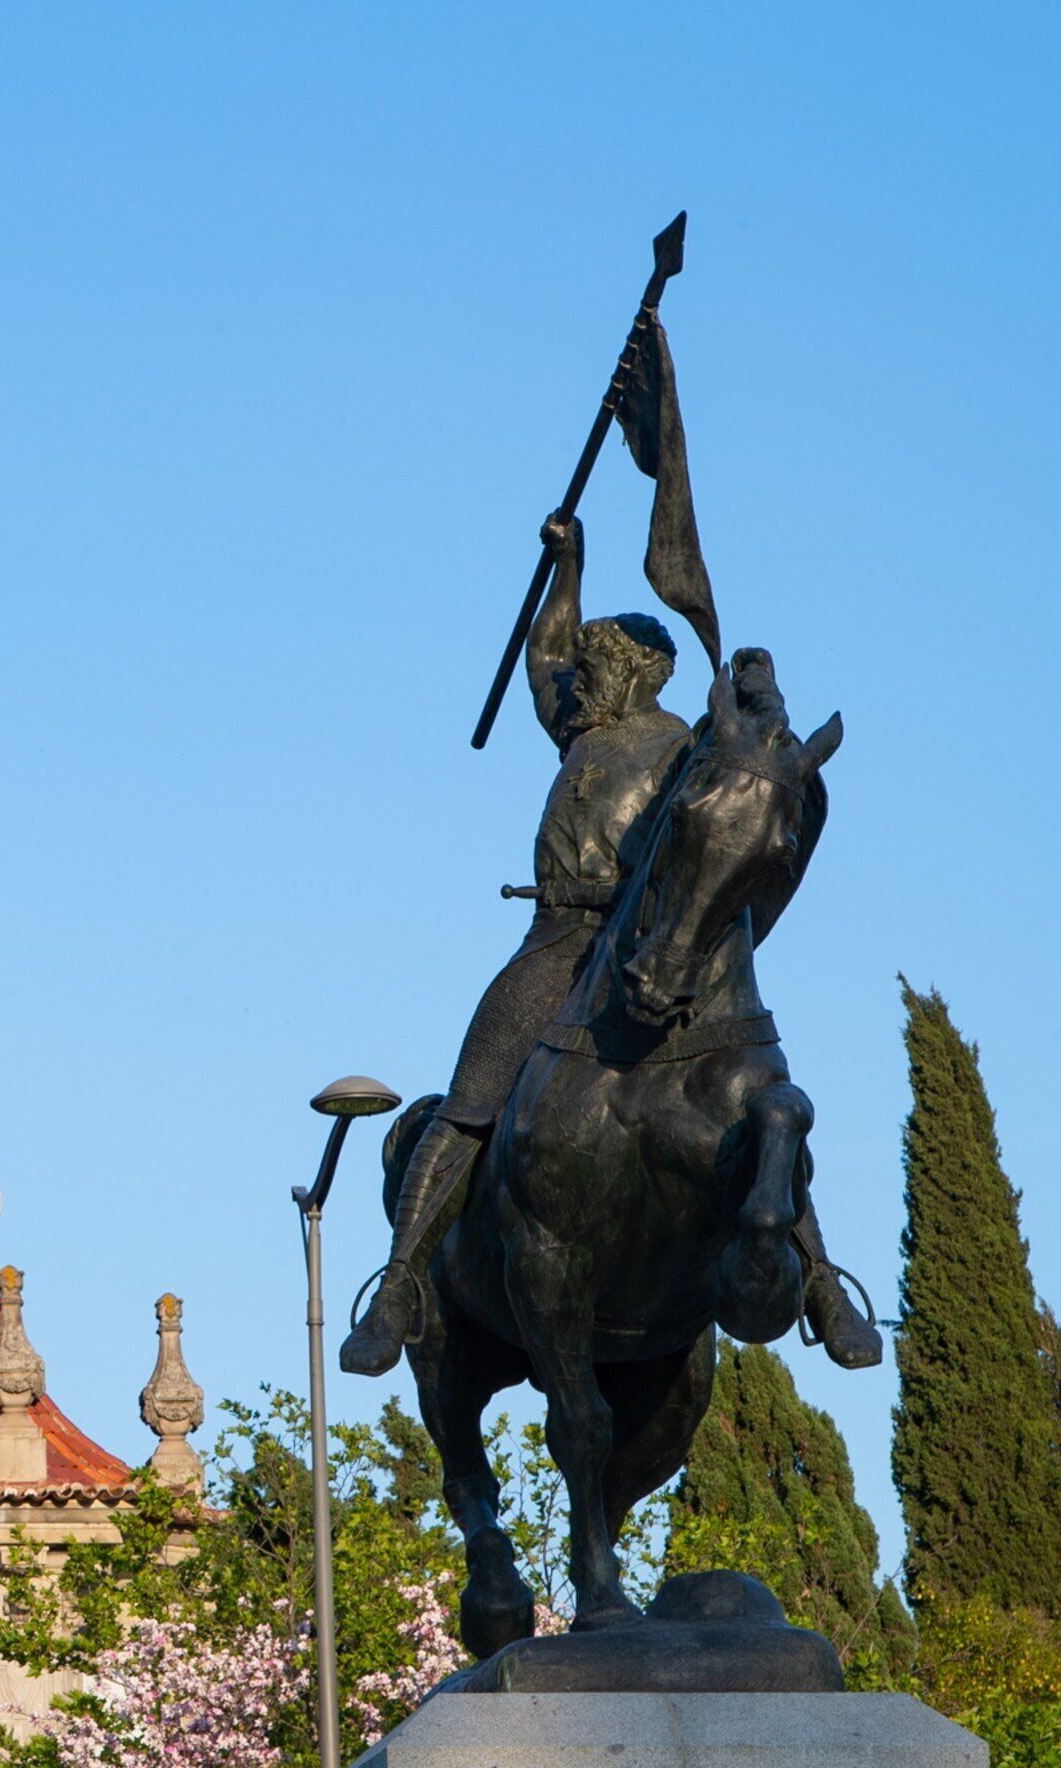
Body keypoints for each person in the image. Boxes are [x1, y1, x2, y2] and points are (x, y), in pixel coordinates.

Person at [339, 510, 880, 1378]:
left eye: (593, 667)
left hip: (643, 939)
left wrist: (759, 695)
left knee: (756, 1096)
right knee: (471, 1096)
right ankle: (402, 1283)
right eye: (581, 670)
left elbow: (756, 791)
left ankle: (819, 1279)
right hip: (554, 942)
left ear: (637, 675)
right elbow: (543, 658)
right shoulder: (584, 728)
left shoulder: (685, 747)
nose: (575, 680)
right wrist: (568, 566)